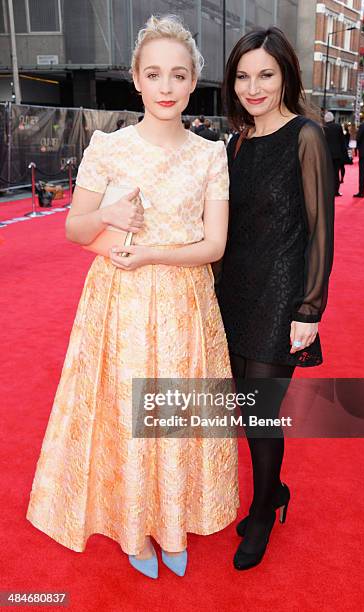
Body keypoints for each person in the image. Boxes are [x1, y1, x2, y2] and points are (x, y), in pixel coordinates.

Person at [26, 15, 238, 580]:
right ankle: (132, 528)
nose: (166, 87)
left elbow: (214, 245)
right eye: (154, 74)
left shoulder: (210, 155)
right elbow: (74, 228)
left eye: (177, 74)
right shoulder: (109, 147)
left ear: (195, 80)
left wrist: (150, 254)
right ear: (135, 80)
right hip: (118, 303)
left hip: (185, 304)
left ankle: (172, 520)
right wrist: (109, 215)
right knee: (124, 415)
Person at [219, 26, 334, 570]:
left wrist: (310, 309)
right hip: (233, 292)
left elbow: (320, 231)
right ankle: (275, 491)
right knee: (246, 412)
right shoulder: (235, 142)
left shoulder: (306, 136)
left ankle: (262, 510)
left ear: (285, 74)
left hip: (282, 293)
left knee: (261, 415)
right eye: (243, 76)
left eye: (265, 74)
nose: (253, 87)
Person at [323, 111, 345, 196]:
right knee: (336, 173)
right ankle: (336, 191)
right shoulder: (338, 127)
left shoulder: (323, 128)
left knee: (327, 173)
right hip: (337, 154)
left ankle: (327, 190)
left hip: (326, 154)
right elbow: (342, 141)